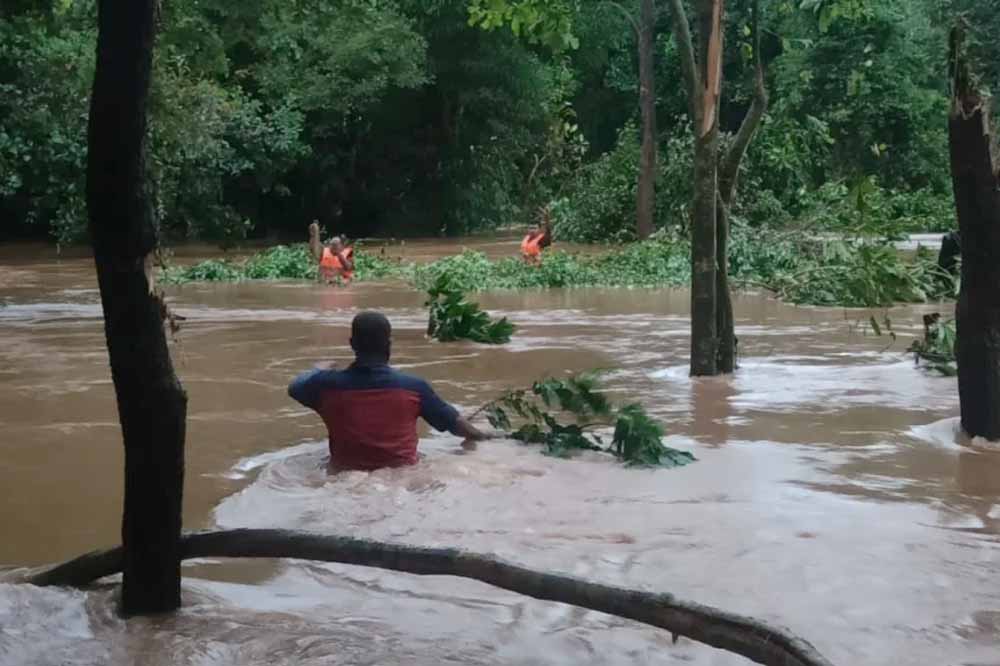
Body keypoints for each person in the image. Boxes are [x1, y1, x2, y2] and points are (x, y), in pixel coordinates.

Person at [288, 311, 490, 471]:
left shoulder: (324, 387)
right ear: (389, 344)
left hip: (343, 476)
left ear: (352, 344)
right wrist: (490, 437)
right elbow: (457, 426)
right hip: (402, 476)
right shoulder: (414, 388)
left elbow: (295, 387)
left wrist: (318, 369)